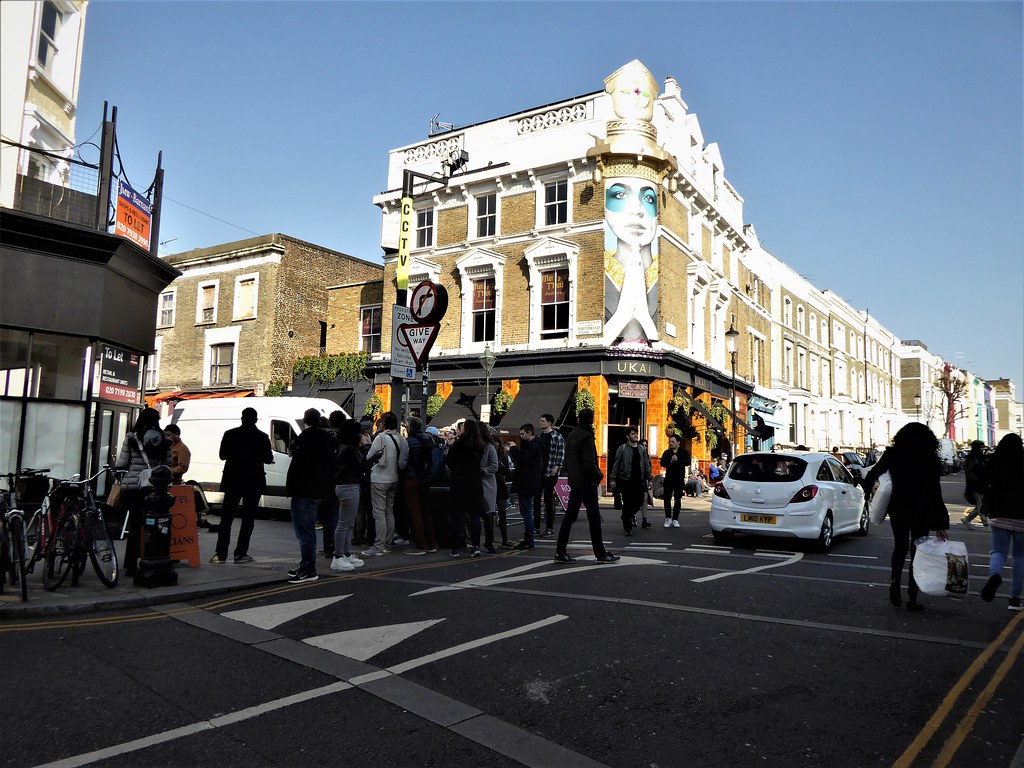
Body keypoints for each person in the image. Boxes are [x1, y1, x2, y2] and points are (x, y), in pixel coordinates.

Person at [864, 423, 950, 611]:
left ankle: (895, 580)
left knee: (900, 546)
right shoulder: (930, 459)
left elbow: (871, 475)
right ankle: (912, 597)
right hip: (923, 510)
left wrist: (868, 495)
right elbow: (936, 493)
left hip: (899, 507)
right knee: (918, 551)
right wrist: (941, 523)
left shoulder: (893, 454)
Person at [554, 408, 619, 564]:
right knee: (594, 519)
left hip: (575, 482)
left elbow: (569, 460)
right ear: (590, 419)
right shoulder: (586, 436)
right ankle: (601, 554)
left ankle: (560, 552)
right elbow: (589, 464)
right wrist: (600, 476)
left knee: (569, 517)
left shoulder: (571, 435)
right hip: (587, 483)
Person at [213, 406, 274, 565]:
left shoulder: (230, 434)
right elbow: (268, 458)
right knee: (248, 520)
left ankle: (220, 554)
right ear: (255, 419)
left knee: (226, 519)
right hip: (253, 482)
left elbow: (222, 455)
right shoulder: (262, 437)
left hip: (233, 480)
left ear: (242, 418)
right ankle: (240, 554)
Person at [115, 407, 172, 578]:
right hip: (155, 490)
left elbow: (123, 463)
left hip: (134, 487)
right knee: (154, 526)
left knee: (134, 527)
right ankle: (151, 559)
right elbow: (167, 465)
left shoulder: (132, 438)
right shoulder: (164, 440)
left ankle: (131, 565)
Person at [603, 173, 659, 346]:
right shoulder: (597, 271)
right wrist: (622, 314)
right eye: (620, 195)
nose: (637, 209)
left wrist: (644, 316)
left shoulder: (663, 276)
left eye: (649, 198)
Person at [285, 408, 335, 583]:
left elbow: (298, 466)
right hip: (319, 489)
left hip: (303, 490)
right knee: (308, 530)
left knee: (305, 531)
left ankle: (308, 569)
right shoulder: (326, 439)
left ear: (305, 420)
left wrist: (290, 487)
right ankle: (306, 565)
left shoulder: (304, 439)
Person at [978, 434, 1023, 610]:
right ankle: (1014, 599)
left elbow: (981, 483)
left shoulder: (993, 462)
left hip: (998, 512)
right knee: (1020, 556)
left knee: (998, 551)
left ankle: (995, 574)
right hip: (1021, 514)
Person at [362, 411, 407, 558]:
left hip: (379, 479)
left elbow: (369, 457)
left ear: (384, 424)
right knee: (389, 511)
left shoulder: (380, 438)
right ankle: (387, 544)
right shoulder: (401, 439)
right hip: (394, 478)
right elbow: (402, 462)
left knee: (379, 513)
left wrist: (367, 445)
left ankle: (378, 546)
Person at [445, 419, 485, 557]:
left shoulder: (458, 444)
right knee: (474, 515)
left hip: (459, 481)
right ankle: (476, 546)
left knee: (456, 516)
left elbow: (450, 462)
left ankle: (455, 548)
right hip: (475, 482)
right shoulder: (480, 445)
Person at [330, 419, 365, 573]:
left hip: (345, 485)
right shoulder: (350, 449)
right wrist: (366, 449)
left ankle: (345, 552)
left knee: (347, 522)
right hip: (349, 486)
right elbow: (360, 466)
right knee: (345, 523)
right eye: (359, 432)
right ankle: (338, 556)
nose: (361, 435)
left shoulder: (342, 447)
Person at [402, 416, 437, 556]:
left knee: (415, 512)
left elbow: (403, 462)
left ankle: (420, 544)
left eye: (406, 427)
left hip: (411, 478)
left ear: (410, 428)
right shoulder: (429, 439)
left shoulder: (408, 441)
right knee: (427, 512)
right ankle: (431, 543)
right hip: (426, 478)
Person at [609, 425, 651, 536]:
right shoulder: (622, 448)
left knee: (639, 500)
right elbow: (616, 464)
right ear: (628, 436)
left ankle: (626, 516)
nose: (636, 435)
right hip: (625, 480)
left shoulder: (641, 449)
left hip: (638, 480)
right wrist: (612, 479)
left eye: (636, 433)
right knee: (627, 503)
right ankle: (627, 528)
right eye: (633, 434)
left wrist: (649, 478)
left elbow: (646, 464)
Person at [514, 423, 544, 550]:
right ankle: (528, 538)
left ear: (529, 433)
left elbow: (523, 460)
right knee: (527, 510)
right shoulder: (537, 444)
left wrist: (514, 449)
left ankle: (529, 539)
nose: (521, 436)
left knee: (526, 511)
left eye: (522, 434)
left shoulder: (533, 446)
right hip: (532, 481)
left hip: (527, 482)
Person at [535, 413, 565, 537]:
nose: (540, 422)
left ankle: (549, 528)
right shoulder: (539, 437)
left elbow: (561, 453)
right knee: (536, 499)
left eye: (543, 421)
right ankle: (536, 526)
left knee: (548, 499)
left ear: (549, 423)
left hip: (550, 471)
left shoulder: (557, 436)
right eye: (540, 420)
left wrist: (556, 468)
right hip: (539, 471)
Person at [477, 420, 500, 555]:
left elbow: (494, 466)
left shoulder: (489, 447)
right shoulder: (475, 446)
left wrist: (482, 471)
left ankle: (489, 541)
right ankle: (476, 542)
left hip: (487, 484)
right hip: (476, 483)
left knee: (488, 515)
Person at [660, 433, 689, 527]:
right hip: (669, 478)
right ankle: (668, 518)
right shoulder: (667, 452)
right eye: (670, 442)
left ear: (678, 442)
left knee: (678, 499)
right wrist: (670, 461)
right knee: (667, 498)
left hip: (679, 478)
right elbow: (662, 463)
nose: (671, 443)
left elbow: (687, 462)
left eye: (673, 441)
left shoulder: (683, 452)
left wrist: (678, 460)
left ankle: (675, 519)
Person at [961, 440, 989, 527]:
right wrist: (975, 480)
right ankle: (985, 523)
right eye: (981, 447)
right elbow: (969, 472)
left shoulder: (982, 457)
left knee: (980, 504)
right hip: (975, 484)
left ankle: (967, 519)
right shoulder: (971, 458)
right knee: (980, 503)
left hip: (983, 483)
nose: (982, 449)